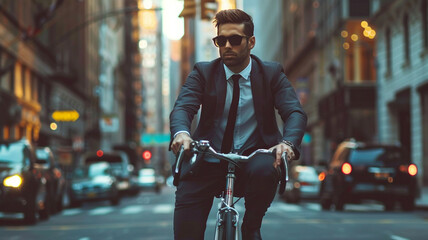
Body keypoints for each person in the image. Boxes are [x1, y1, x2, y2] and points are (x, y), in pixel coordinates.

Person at [170, 9, 307, 240]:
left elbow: (294, 112)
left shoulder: (271, 74)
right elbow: (183, 106)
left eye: (235, 39)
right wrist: (182, 134)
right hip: (207, 157)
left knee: (266, 169)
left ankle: (251, 227)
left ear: (251, 42)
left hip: (255, 157)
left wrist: (288, 144)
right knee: (186, 232)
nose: (227, 46)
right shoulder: (203, 72)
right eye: (220, 40)